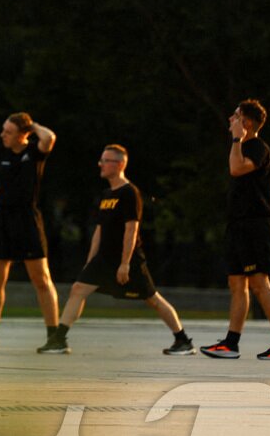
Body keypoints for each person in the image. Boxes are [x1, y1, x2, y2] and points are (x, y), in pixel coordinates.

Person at [38, 145, 195, 355]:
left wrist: (125, 263)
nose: (100, 164)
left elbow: (132, 229)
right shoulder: (106, 194)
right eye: (101, 160)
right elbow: (99, 231)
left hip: (126, 259)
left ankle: (183, 340)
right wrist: (90, 261)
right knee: (78, 289)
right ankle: (59, 339)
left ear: (120, 164)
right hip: (103, 259)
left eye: (106, 160)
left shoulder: (129, 193)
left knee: (152, 298)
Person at [203, 99, 270, 360]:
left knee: (259, 283)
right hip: (238, 226)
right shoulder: (242, 147)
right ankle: (231, 344)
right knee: (236, 284)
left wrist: (236, 140)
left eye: (235, 116)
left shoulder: (257, 147)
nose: (230, 119)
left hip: (256, 226)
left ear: (246, 123)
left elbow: (236, 169)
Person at [0, 113, 61, 352]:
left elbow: (49, 137)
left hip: (27, 220)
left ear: (23, 134)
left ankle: (55, 336)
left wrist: (33, 125)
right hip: (2, 221)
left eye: (8, 132)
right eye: (3, 130)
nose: (3, 135)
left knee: (41, 279)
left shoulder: (34, 152)